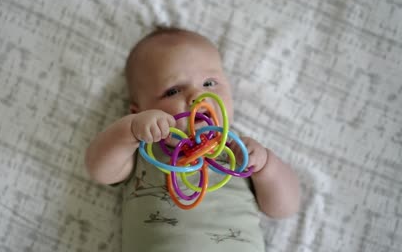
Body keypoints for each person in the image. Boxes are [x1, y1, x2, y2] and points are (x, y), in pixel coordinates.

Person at [85, 26, 300, 251]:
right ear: (138, 111)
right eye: (173, 91)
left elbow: (285, 208)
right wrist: (129, 131)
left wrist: (267, 166)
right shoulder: (145, 149)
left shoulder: (238, 151)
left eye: (209, 83)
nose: (197, 96)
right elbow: (99, 170)